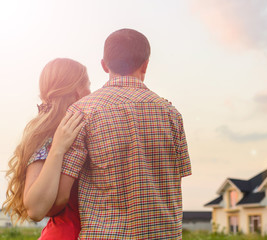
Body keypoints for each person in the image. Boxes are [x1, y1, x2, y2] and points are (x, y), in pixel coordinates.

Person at [52, 28, 192, 239]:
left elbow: (61, 196)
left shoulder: (82, 112)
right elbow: (174, 180)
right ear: (146, 64)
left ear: (104, 65)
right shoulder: (172, 114)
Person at [3, 58, 90, 239]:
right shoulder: (47, 137)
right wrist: (58, 147)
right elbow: (35, 209)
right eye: (87, 85)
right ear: (75, 92)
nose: (91, 92)